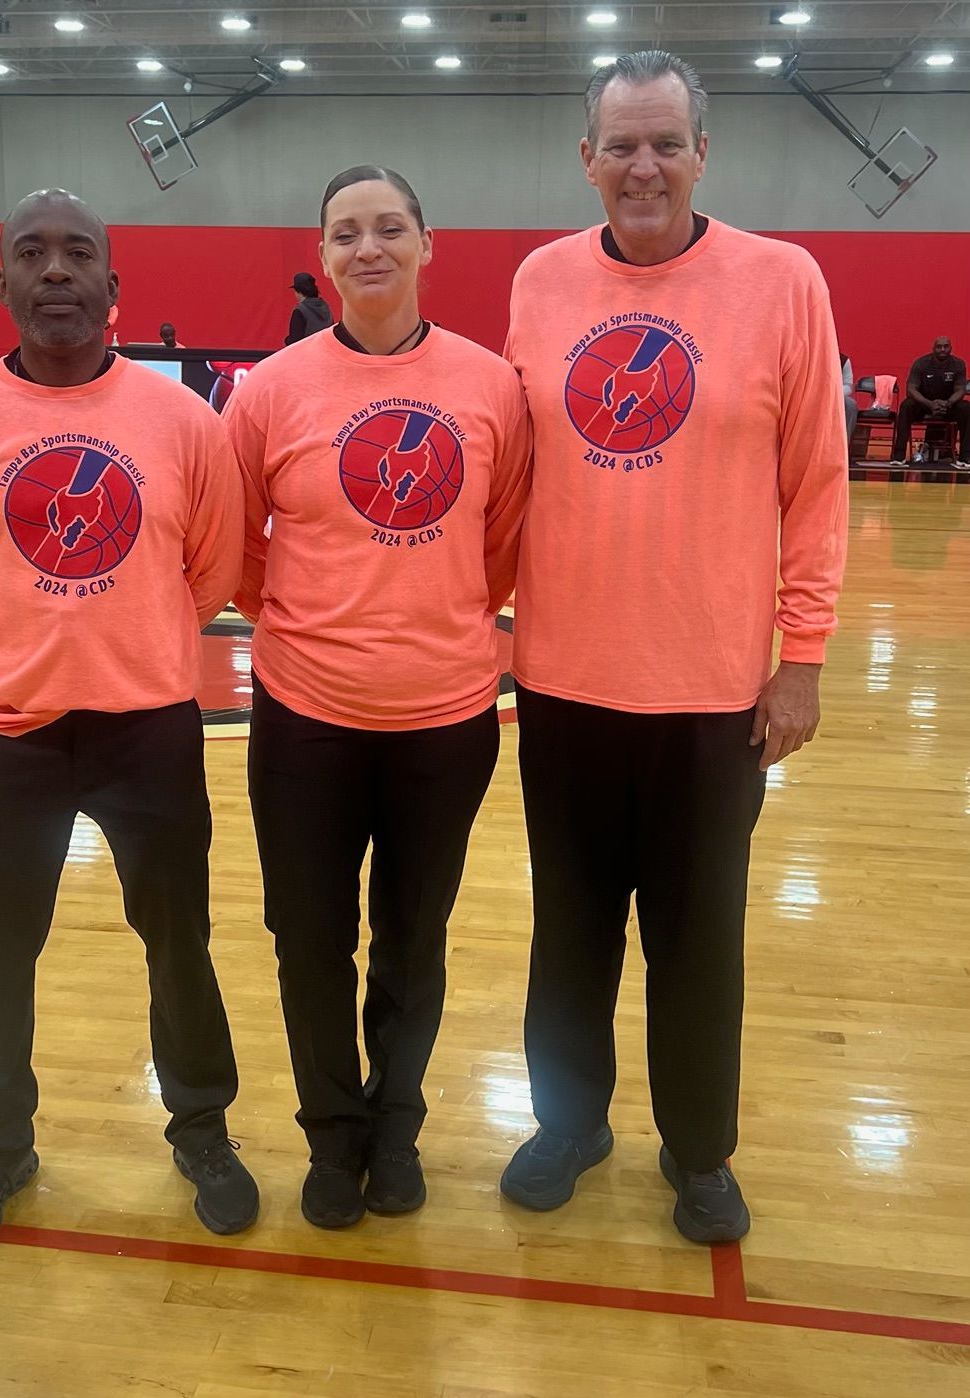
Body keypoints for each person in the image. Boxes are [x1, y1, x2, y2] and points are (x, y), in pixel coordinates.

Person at [498, 51, 848, 1243]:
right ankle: (569, 1123)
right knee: (569, 932)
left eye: (664, 144)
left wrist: (798, 656)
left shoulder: (782, 280)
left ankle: (697, 1152)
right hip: (560, 682)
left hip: (711, 693)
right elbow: (512, 475)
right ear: (583, 159)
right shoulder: (537, 282)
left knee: (698, 944)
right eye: (619, 145)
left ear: (703, 153)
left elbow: (816, 482)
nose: (640, 166)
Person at [0, 188, 258, 1251]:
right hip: (1, 736)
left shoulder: (185, 423)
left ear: (113, 287)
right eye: (31, 254)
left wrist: (126, 646)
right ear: (0, 284)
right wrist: (28, 647)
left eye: (77, 255)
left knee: (178, 946)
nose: (55, 271)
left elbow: (211, 572)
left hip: (146, 728)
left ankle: (202, 1132)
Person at [224, 165, 531, 1229]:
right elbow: (235, 550)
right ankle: (331, 1134)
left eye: (389, 227)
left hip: (443, 722)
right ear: (321, 255)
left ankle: (395, 1126)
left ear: (425, 242)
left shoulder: (492, 385)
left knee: (413, 936)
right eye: (346, 232)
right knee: (307, 937)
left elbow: (499, 547)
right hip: (304, 717)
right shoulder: (269, 391)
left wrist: (428, 620)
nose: (369, 248)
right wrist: (316, 628)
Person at [889, 336, 969, 467]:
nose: (942, 349)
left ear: (951, 348)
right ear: (933, 348)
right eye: (939, 346)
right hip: (924, 404)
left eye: (945, 346)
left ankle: (965, 457)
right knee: (906, 405)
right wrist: (929, 404)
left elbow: (960, 389)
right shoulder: (921, 363)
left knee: (966, 408)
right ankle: (899, 456)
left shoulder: (958, 364)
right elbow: (911, 389)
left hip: (948, 405)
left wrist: (948, 403)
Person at [284, 271, 332, 344]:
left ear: (299, 291)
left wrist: (287, 340)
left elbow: (295, 340)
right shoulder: (325, 306)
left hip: (307, 352)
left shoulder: (300, 310)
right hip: (325, 351)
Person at [840, 351, 857, 453]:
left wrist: (832, 395)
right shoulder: (811, 357)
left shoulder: (843, 360)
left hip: (834, 396)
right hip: (811, 395)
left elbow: (848, 386)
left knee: (850, 405)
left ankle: (843, 448)